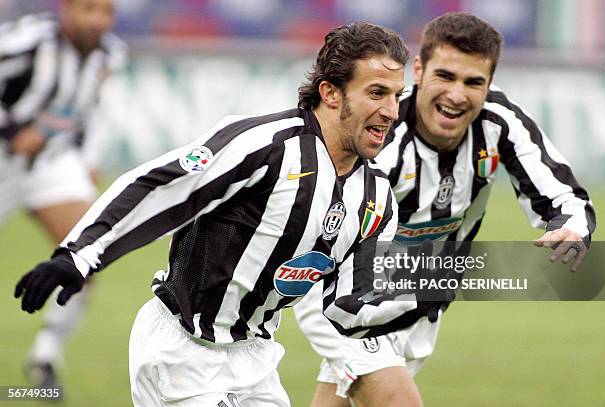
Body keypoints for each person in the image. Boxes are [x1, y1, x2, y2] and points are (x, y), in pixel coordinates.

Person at [14, 21, 450, 407]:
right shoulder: (265, 145)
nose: (392, 112)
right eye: (376, 93)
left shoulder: (375, 199)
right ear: (330, 93)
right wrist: (79, 254)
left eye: (397, 96)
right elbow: (162, 185)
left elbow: (350, 307)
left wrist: (432, 284)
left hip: (256, 360)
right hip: (183, 351)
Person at [294, 12, 596, 407]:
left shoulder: (499, 123)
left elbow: (565, 197)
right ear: (418, 70)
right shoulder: (379, 132)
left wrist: (571, 229)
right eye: (446, 76)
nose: (457, 95)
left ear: (490, 84)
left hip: (417, 301)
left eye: (474, 82)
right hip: (340, 294)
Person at [0, 0, 126, 389]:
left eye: (105, 11)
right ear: (66, 9)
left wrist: (88, 155)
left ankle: (45, 357)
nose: (97, 21)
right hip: (3, 160)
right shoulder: (26, 42)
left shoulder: (110, 53)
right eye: (88, 9)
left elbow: (88, 108)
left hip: (51, 162)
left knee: (86, 250)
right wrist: (10, 131)